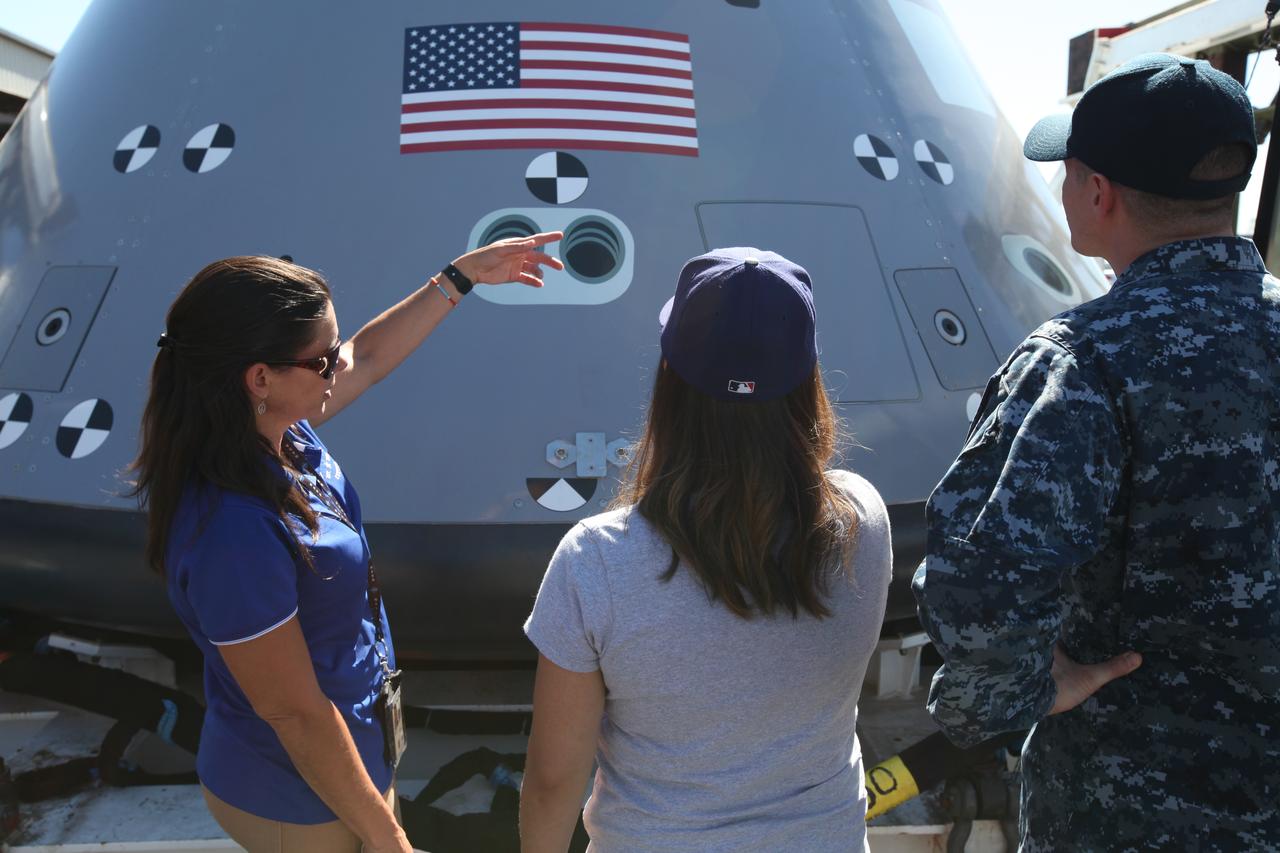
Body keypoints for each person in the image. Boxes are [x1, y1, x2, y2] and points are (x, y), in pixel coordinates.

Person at [912, 53, 1277, 850]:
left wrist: (1018, 692)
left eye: (1068, 173)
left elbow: (980, 586)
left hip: (1126, 816)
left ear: (1099, 193)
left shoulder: (1084, 359)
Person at [131, 235, 562, 853]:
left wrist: (458, 279)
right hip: (298, 802)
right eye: (322, 360)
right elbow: (296, 716)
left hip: (346, 764)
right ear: (260, 378)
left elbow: (369, 355)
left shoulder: (277, 432)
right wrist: (390, 839)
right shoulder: (233, 533)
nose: (340, 365)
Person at [519, 248, 893, 852]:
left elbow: (553, 780)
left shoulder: (597, 560)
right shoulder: (862, 519)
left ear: (672, 381)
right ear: (808, 378)